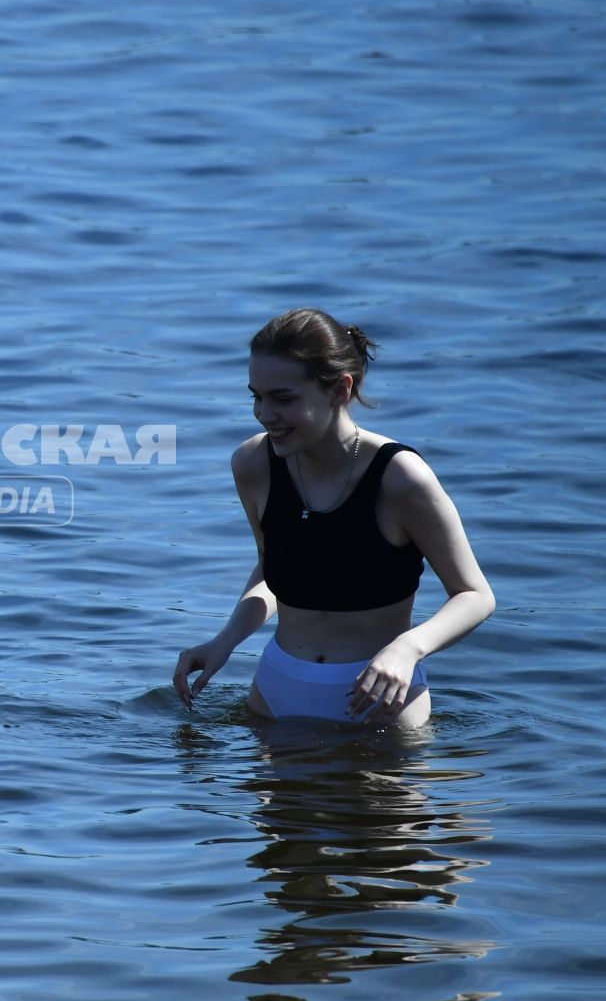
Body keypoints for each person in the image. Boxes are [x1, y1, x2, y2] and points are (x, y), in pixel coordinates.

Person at [173, 309, 494, 726]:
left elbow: (475, 595)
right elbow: (273, 569)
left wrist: (408, 648)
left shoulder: (400, 478)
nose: (264, 414)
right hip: (275, 692)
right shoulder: (254, 463)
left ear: (340, 390)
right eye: (256, 395)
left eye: (283, 398)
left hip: (380, 703)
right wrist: (224, 641)